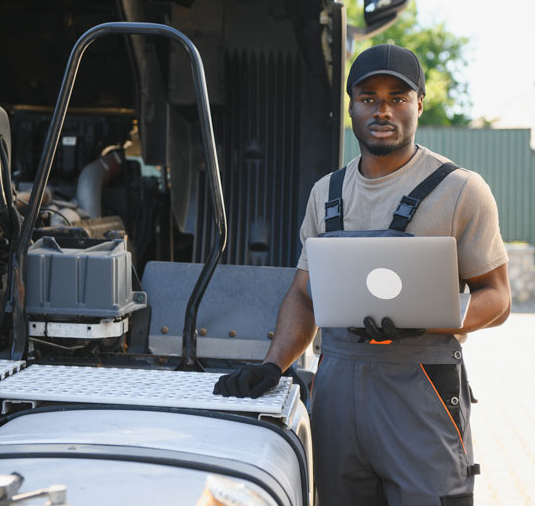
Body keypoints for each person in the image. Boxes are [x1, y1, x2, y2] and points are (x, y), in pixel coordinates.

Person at [214, 43, 511, 506]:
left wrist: (428, 320)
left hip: (421, 389)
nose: (383, 110)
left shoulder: (460, 190)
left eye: (398, 97)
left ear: (419, 103)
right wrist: (274, 364)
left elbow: (497, 298)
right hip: (337, 388)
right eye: (369, 98)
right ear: (350, 105)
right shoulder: (326, 193)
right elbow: (304, 295)